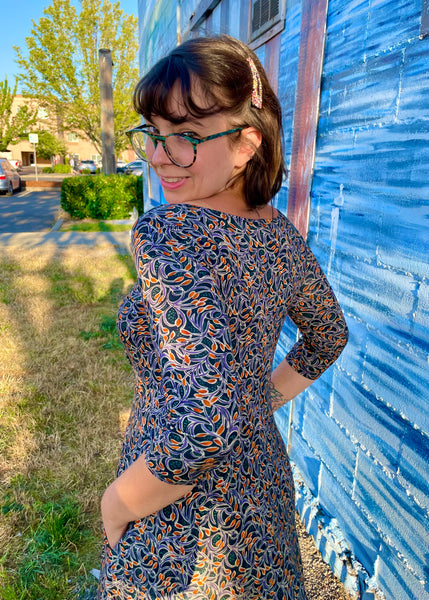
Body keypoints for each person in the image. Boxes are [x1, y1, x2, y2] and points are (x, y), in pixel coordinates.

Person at [98, 35, 348, 600]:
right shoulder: (277, 232)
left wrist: (118, 502)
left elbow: (204, 423)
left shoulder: (168, 234)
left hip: (182, 517)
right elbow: (328, 336)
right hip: (261, 490)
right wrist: (256, 402)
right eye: (153, 133)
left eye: (186, 136)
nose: (160, 156)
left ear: (245, 145)